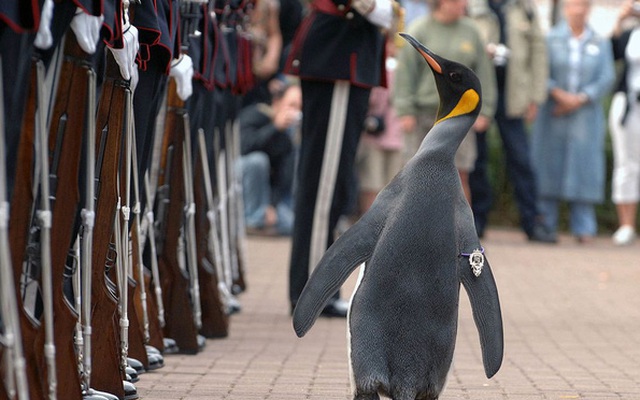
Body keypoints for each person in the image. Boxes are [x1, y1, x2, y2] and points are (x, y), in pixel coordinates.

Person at [284, 0, 396, 317]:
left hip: (347, 54)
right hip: (339, 55)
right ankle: (312, 289)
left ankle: (317, 285)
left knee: (334, 186)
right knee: (323, 185)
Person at [467, 0, 555, 242]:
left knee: (521, 159)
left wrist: (535, 97)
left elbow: (539, 52)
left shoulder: (524, 7)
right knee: (476, 159)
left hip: (513, 95)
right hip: (480, 93)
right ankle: (476, 222)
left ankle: (532, 222)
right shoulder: (472, 6)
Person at [393, 0, 497, 204]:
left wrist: (485, 110)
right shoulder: (421, 28)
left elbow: (484, 72)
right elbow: (405, 73)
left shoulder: (471, 31)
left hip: (460, 115)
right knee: (415, 174)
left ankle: (460, 231)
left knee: (460, 174)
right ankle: (413, 231)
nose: (463, 4)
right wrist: (405, 108)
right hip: (424, 114)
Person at [530, 0, 615, 243]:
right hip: (553, 111)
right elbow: (540, 71)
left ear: (589, 9)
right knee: (549, 163)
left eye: (583, 5)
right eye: (574, 5)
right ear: (566, 8)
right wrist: (559, 95)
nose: (579, 10)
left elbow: (606, 76)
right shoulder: (551, 38)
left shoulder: (600, 41)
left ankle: (584, 226)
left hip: (585, 114)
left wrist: (579, 99)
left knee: (584, 167)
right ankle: (546, 224)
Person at [237, 80, 301, 236]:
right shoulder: (255, 115)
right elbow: (244, 147)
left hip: (264, 197)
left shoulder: (286, 138)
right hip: (239, 187)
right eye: (291, 105)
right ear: (277, 102)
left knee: (292, 225)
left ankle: (259, 222)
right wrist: (274, 127)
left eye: (299, 107)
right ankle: (252, 220)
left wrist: (272, 205)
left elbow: (282, 177)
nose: (295, 111)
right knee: (257, 161)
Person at [357, 38, 405, 214]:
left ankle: (378, 230)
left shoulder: (390, 69)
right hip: (385, 135)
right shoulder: (395, 69)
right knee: (375, 185)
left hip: (388, 133)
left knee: (377, 185)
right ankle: (379, 230)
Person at [608, 0, 640, 246]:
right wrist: (620, 18)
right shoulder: (631, 33)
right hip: (629, 104)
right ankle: (626, 225)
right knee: (625, 163)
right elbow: (612, 52)